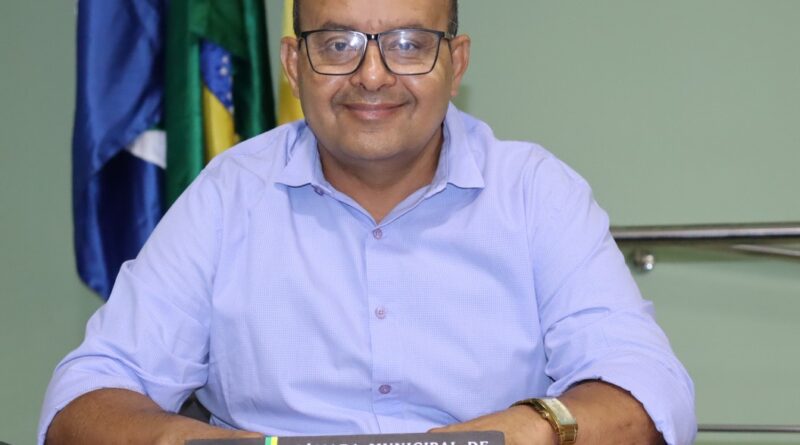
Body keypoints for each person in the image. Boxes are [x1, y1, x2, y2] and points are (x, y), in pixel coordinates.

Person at [40, 1, 696, 444]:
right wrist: (185, 440)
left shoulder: (535, 191)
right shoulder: (228, 193)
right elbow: (85, 396)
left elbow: (649, 389)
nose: (373, 76)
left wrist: (535, 427)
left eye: (409, 44)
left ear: (457, 62)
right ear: (293, 65)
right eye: (338, 44)